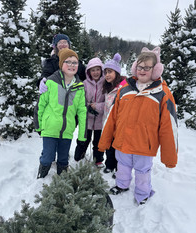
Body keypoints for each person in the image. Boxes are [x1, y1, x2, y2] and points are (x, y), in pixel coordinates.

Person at [98, 47, 178, 205]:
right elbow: (112, 118)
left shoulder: (162, 93)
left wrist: (169, 156)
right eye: (140, 66)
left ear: (155, 70)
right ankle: (122, 185)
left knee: (143, 172)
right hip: (123, 142)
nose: (142, 70)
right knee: (123, 166)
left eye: (147, 67)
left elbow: (169, 126)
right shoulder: (124, 89)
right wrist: (104, 141)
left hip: (144, 145)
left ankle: (143, 192)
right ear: (135, 67)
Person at [34, 48, 87, 178]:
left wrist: (82, 136)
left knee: (63, 158)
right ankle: (42, 176)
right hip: (49, 128)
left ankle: (62, 180)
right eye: (68, 62)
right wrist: (38, 125)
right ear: (61, 64)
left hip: (67, 130)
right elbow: (40, 105)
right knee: (48, 156)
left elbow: (82, 112)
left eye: (75, 62)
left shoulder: (79, 87)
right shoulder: (51, 82)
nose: (72, 65)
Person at [74, 57, 105, 167]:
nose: (95, 72)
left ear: (101, 70)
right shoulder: (85, 84)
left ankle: (98, 159)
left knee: (98, 142)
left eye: (97, 69)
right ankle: (79, 157)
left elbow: (109, 102)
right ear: (88, 72)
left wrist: (98, 106)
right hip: (86, 119)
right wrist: (88, 106)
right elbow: (80, 100)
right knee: (83, 139)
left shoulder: (105, 83)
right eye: (93, 70)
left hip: (100, 119)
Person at [102, 53, 126, 175]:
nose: (107, 75)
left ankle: (119, 169)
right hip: (108, 121)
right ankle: (109, 164)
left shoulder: (123, 87)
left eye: (110, 72)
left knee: (118, 146)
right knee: (109, 145)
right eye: (105, 72)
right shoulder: (108, 87)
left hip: (119, 123)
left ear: (117, 73)